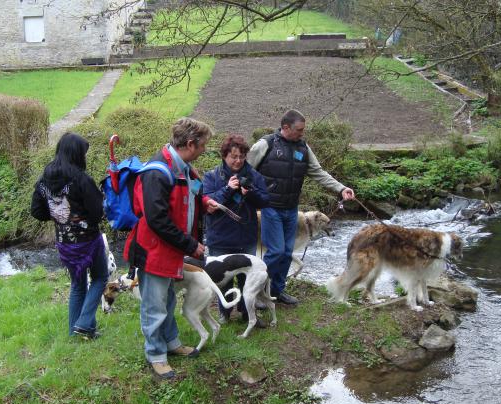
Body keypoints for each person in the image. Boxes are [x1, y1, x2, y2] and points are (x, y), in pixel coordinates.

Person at [124, 117, 219, 380]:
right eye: (203, 146)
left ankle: (171, 342)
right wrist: (192, 245)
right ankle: (156, 355)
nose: (204, 151)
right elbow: (157, 220)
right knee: (154, 305)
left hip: (170, 249)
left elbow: (187, 197)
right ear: (190, 144)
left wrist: (205, 203)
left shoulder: (182, 167)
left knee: (167, 299)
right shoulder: (158, 171)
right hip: (153, 250)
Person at [247, 109, 355, 305]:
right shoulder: (266, 144)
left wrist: (341, 188)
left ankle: (277, 291)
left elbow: (318, 172)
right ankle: (258, 292)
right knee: (276, 252)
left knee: (287, 253)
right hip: (269, 208)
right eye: (299, 129)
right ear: (286, 127)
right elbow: (246, 170)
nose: (302, 133)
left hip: (291, 209)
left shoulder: (303, 147)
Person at [30, 133, 108, 339]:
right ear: (76, 154)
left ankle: (76, 333)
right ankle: (84, 323)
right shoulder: (81, 180)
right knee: (100, 277)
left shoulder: (44, 180)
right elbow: (97, 212)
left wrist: (59, 218)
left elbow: (36, 211)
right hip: (89, 242)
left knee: (77, 284)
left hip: (65, 243)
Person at [203, 134, 270, 327]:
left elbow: (265, 201)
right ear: (224, 156)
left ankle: (247, 313)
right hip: (219, 237)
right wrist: (227, 189)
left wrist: (250, 193)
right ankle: (224, 313)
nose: (238, 161)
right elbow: (206, 202)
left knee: (247, 278)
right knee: (221, 279)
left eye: (242, 156)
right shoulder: (212, 176)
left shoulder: (254, 176)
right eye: (233, 157)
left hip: (245, 236)